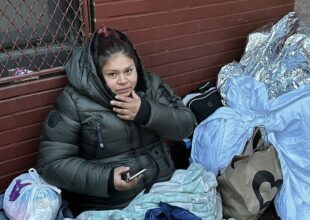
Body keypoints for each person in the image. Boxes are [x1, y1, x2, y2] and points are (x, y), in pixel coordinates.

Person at [36, 27, 196, 214]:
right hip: (111, 205)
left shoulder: (149, 85)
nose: (124, 81)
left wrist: (147, 112)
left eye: (129, 71)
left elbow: (186, 125)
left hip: (163, 189)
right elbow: (51, 164)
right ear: (98, 75)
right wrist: (107, 179)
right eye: (113, 74)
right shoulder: (74, 101)